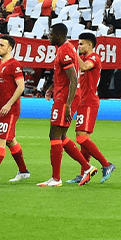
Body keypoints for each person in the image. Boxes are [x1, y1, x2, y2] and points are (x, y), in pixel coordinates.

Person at [40, 22, 87, 186]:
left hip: (65, 98)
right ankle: (87, 168)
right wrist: (53, 87)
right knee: (62, 136)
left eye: (51, 33)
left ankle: (56, 178)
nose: (48, 36)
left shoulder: (65, 50)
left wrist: (67, 104)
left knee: (54, 134)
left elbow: (74, 78)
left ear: (59, 35)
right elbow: (66, 76)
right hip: (63, 95)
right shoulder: (65, 49)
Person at [71, 32, 117, 184]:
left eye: (81, 44)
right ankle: (85, 172)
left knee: (81, 137)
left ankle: (106, 164)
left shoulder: (94, 58)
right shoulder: (83, 58)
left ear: (89, 45)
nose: (79, 47)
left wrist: (72, 52)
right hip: (82, 102)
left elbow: (84, 67)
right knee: (83, 138)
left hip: (89, 102)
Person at [0, 36, 30, 182]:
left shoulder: (14, 64)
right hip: (2, 109)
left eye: (2, 45)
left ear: (10, 48)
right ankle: (23, 171)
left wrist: (9, 104)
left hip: (10, 110)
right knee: (10, 140)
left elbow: (21, 86)